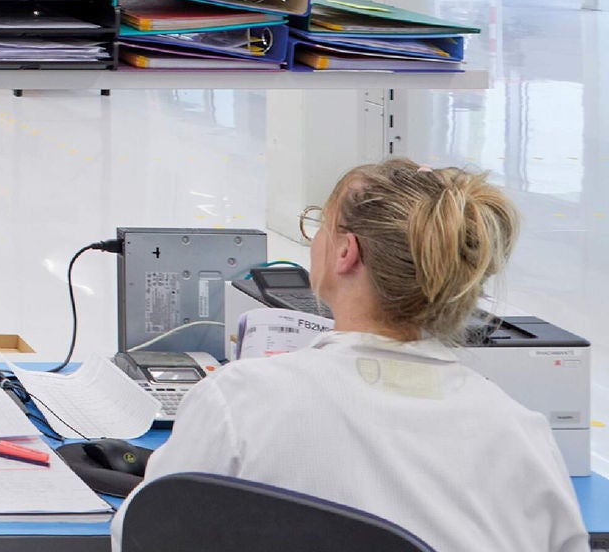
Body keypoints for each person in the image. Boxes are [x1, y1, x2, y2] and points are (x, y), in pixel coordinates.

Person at [114, 158, 585, 552]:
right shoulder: (521, 435)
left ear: (346, 252)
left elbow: (142, 533)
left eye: (321, 224)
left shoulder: (239, 402)